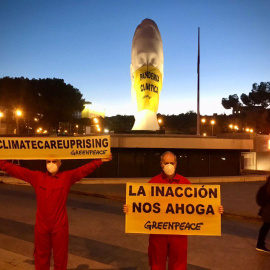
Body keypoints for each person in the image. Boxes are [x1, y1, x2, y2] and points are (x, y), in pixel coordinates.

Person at [0, 155, 112, 270]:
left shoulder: (66, 177)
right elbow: (16, 170)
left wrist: (100, 161)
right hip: (41, 226)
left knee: (61, 258)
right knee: (41, 257)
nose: (51, 164)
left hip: (60, 226)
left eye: (54, 161)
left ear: (60, 163)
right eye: (48, 161)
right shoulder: (37, 177)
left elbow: (83, 170)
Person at [123, 151, 224, 270]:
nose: (169, 165)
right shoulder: (153, 182)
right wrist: (130, 208)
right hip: (158, 233)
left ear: (176, 164)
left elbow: (197, 206)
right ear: (161, 164)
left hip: (179, 233)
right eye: (166, 163)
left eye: (172, 163)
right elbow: (143, 204)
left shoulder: (185, 183)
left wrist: (214, 209)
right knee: (156, 265)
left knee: (178, 265)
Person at [256, 176, 270, 253]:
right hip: (268, 212)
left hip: (266, 211)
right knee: (265, 227)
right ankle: (260, 244)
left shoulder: (267, 185)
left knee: (265, 227)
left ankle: (260, 244)